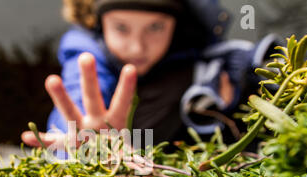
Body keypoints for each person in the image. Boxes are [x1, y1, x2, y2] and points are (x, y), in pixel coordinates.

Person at [21, 0, 278, 153]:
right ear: (98, 22)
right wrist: (83, 144)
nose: (137, 47)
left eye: (155, 27)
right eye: (121, 27)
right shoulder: (86, 51)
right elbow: (80, 95)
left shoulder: (206, 61)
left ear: (177, 25)